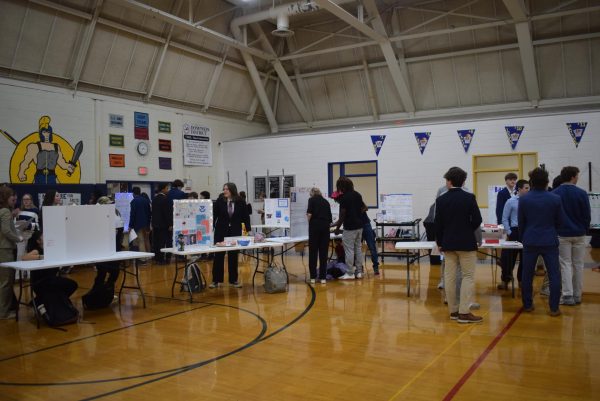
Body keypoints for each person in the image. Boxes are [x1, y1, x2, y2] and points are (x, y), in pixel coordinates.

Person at [434, 167, 483, 324]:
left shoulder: (441, 200)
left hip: (448, 243)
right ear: (463, 181)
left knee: (449, 277)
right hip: (466, 242)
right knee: (467, 276)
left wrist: (440, 242)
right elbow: (477, 220)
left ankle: (453, 311)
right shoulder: (469, 198)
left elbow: (437, 224)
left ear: (449, 181)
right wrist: (467, 228)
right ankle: (464, 312)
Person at [518, 167, 563, 316]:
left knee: (527, 274)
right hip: (549, 239)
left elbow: (521, 222)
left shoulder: (524, 199)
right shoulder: (555, 198)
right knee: (554, 274)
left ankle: (528, 305)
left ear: (531, 182)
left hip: (530, 239)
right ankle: (554, 308)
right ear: (547, 182)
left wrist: (523, 237)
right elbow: (559, 221)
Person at [552, 166, 591, 306]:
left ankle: (567, 295)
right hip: (579, 233)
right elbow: (587, 215)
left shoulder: (555, 193)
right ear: (573, 176)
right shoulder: (582, 193)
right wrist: (584, 230)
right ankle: (577, 295)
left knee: (565, 264)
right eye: (577, 175)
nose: (578, 178)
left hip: (562, 234)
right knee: (578, 265)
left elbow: (553, 216)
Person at [22, 230, 78, 309]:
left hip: (51, 280)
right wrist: (42, 257)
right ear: (38, 241)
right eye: (44, 237)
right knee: (69, 285)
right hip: (41, 282)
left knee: (72, 285)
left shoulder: (51, 249)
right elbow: (24, 258)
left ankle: (47, 301)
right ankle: (46, 301)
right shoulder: (37, 250)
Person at [210, 182, 250, 288]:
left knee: (233, 256)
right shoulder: (220, 201)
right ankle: (216, 280)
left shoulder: (240, 201)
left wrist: (248, 230)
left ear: (232, 190)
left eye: (226, 189)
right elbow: (214, 215)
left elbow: (246, 216)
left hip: (234, 231)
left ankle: (233, 280)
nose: (224, 191)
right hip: (220, 231)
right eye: (224, 189)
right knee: (218, 255)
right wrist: (210, 227)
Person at [498, 179, 530, 290]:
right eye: (526, 188)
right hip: (514, 231)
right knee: (508, 258)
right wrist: (510, 232)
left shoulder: (530, 201)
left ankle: (521, 280)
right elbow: (504, 218)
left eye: (529, 188)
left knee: (525, 258)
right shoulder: (511, 201)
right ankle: (505, 280)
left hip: (526, 232)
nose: (528, 190)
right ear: (519, 189)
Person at [331, 177, 364, 280]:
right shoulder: (358, 195)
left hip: (350, 227)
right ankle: (359, 272)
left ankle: (349, 273)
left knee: (349, 251)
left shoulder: (344, 198)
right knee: (358, 249)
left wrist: (337, 228)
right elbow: (363, 208)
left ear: (342, 186)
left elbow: (342, 215)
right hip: (360, 227)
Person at [0, 187, 24, 319]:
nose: (13, 199)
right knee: (6, 282)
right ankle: (3, 312)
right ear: (5, 198)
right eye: (11, 197)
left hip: (2, 249)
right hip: (5, 250)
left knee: (3, 282)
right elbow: (6, 231)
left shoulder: (4, 211)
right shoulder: (5, 211)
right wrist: (19, 238)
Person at [307, 187, 332, 284]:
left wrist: (309, 223)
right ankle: (323, 278)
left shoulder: (311, 200)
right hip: (325, 228)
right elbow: (330, 219)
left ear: (312, 194)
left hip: (314, 227)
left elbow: (309, 214)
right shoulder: (326, 202)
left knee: (313, 252)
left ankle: (313, 277)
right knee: (323, 253)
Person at [16, 193, 40, 262]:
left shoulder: (35, 211)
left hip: (31, 236)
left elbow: (38, 226)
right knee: (20, 255)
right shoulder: (19, 211)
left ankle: (29, 273)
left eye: (27, 199)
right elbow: (15, 224)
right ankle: (19, 272)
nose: (25, 201)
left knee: (29, 256)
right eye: (24, 199)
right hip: (21, 236)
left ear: (31, 200)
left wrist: (29, 226)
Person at [152, 183, 172, 264]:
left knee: (156, 242)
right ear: (163, 189)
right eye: (167, 188)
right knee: (163, 242)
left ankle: (157, 258)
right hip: (164, 225)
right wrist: (170, 224)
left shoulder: (155, 199)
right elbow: (167, 213)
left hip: (155, 224)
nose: (168, 190)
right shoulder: (165, 199)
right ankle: (163, 259)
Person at [129, 187, 152, 256]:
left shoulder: (133, 202)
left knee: (141, 241)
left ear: (133, 193)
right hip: (146, 224)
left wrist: (130, 225)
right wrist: (148, 225)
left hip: (138, 225)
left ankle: (143, 258)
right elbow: (149, 214)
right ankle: (149, 255)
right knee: (146, 240)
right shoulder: (146, 201)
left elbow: (132, 215)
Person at [361, 202, 379, 275]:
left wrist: (358, 211)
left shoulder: (357, 198)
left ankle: (376, 266)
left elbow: (366, 208)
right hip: (357, 225)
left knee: (372, 247)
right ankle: (360, 267)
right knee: (357, 248)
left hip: (366, 224)